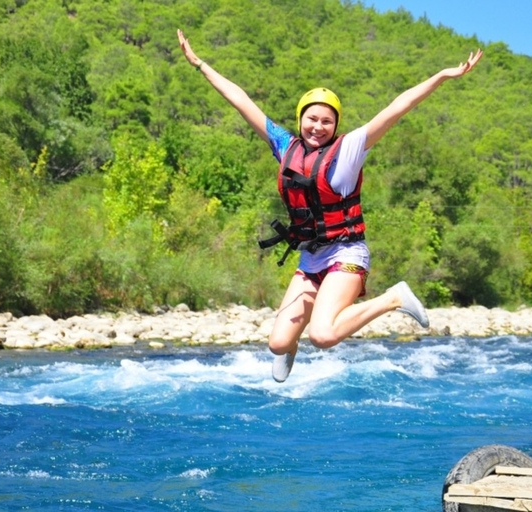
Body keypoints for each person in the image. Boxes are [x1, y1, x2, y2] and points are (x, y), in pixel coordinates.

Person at [177, 29, 482, 382]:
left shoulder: (349, 150)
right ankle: (289, 345)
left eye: (326, 121)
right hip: (311, 256)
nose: (317, 126)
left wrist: (442, 76)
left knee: (323, 336)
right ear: (300, 119)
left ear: (336, 125)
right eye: (311, 118)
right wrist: (200, 64)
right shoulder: (284, 145)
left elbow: (398, 107)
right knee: (276, 344)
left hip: (347, 254)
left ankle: (394, 299)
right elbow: (241, 101)